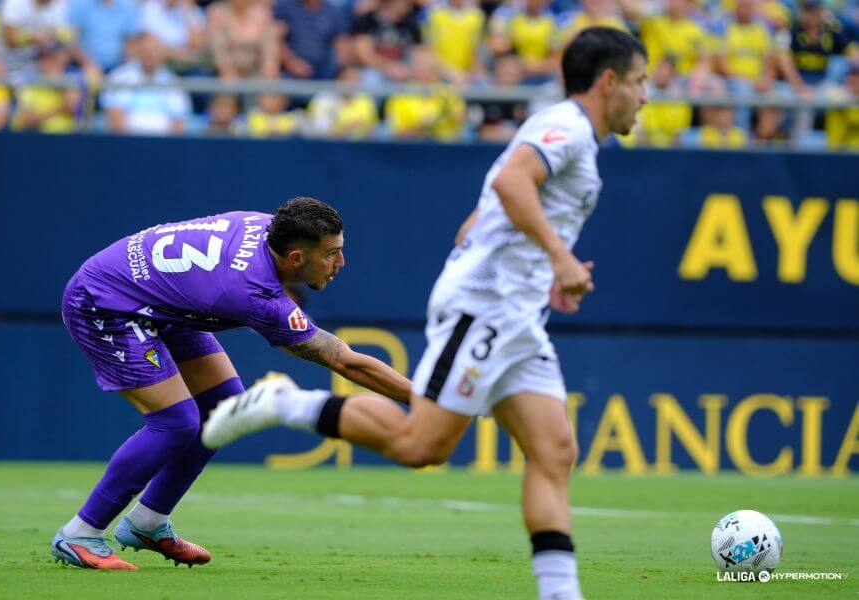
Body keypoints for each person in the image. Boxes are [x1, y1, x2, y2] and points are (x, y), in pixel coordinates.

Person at [203, 27, 648, 600]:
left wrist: (544, 272)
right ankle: (284, 402)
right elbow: (511, 182)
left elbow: (480, 219)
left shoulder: (571, 138)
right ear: (609, 81)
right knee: (422, 446)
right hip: (486, 307)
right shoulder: (568, 127)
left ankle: (561, 593)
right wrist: (557, 259)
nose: (645, 97)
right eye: (639, 82)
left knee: (554, 449)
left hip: (516, 312)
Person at [51, 198, 411, 570]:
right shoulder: (254, 294)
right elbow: (344, 361)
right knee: (175, 423)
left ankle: (147, 522)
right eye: (332, 254)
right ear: (296, 258)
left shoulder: (273, 227)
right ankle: (80, 533)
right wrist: (426, 401)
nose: (341, 262)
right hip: (104, 303)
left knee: (223, 411)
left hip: (156, 300)